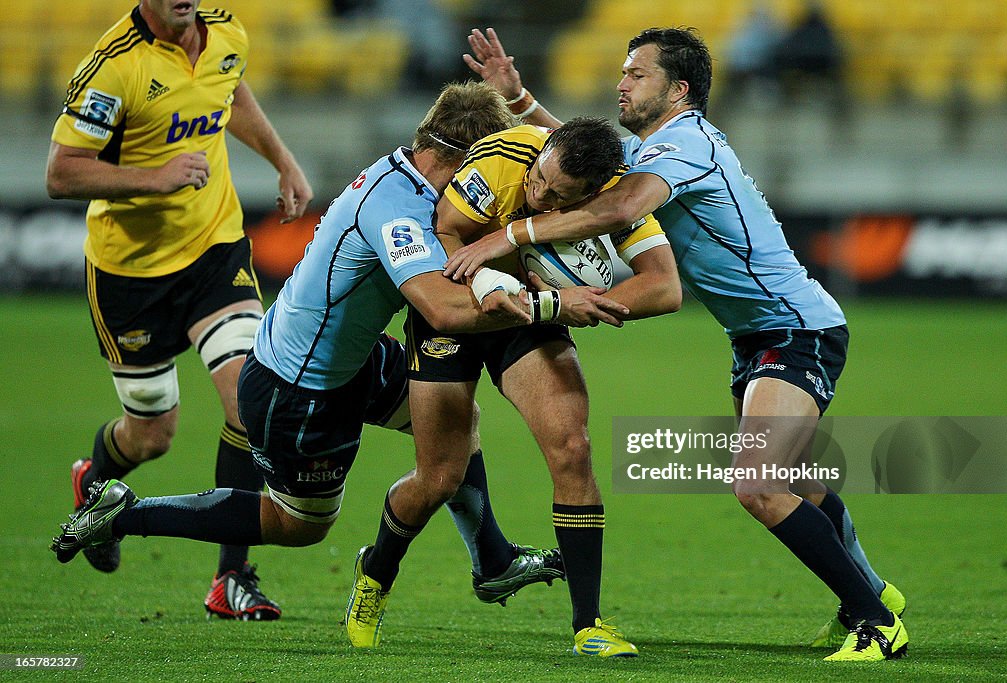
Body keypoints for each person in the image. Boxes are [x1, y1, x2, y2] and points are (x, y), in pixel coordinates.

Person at [50, 81, 629, 622]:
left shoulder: (417, 186)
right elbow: (443, 311)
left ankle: (494, 561)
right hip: (300, 388)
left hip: (350, 360)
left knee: (455, 423)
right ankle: (126, 515)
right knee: (298, 523)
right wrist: (554, 305)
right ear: (459, 157)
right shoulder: (397, 208)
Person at [446, 27, 908, 663]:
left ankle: (878, 623)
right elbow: (590, 171)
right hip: (759, 334)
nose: (622, 83)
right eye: (624, 71)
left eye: (637, 73)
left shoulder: (687, 143)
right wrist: (523, 103)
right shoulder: (662, 148)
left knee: (760, 485)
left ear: (678, 90)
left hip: (796, 330)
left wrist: (509, 235)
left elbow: (619, 206)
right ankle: (872, 592)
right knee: (798, 482)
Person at [344, 116, 681, 656]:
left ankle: (588, 624)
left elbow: (664, 288)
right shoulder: (503, 159)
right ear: (544, 149)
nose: (539, 193)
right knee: (440, 476)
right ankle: (375, 574)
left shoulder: (615, 199)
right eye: (540, 179)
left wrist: (577, 304)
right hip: (457, 310)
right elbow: (446, 230)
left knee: (573, 448)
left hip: (532, 318)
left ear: (592, 194)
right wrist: (492, 278)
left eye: (557, 196)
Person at [46, 0, 313, 620]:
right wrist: (156, 177)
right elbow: (61, 173)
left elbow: (230, 93)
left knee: (249, 400)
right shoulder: (112, 69)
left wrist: (282, 158)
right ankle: (96, 480)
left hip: (213, 252)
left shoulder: (225, 30)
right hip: (130, 274)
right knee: (151, 433)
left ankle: (231, 578)